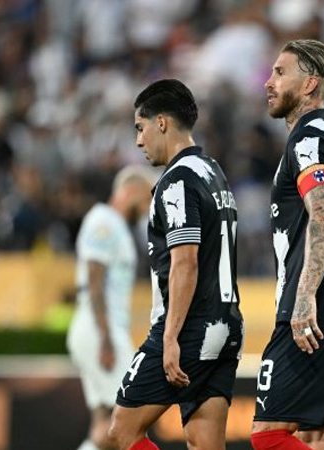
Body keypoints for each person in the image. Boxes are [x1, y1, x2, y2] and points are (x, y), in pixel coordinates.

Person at [107, 79, 243, 450]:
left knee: (121, 431)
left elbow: (185, 262)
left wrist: (170, 337)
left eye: (140, 128)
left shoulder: (177, 180)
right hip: (227, 325)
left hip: (189, 328)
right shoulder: (213, 172)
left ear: (162, 123)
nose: (138, 141)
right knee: (204, 442)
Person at [250, 39, 324, 450]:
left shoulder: (309, 141)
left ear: (309, 85)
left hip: (317, 312)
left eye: (280, 73)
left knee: (268, 437)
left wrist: (304, 297)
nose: (269, 82)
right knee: (318, 438)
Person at [67, 164, 157, 450]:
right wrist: (105, 339)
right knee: (132, 414)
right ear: (129, 191)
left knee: (105, 422)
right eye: (145, 200)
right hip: (99, 330)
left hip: (100, 328)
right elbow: (95, 280)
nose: (146, 209)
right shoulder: (104, 221)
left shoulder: (115, 226)